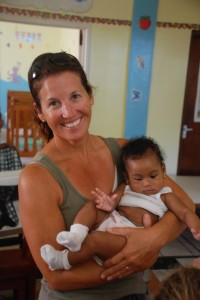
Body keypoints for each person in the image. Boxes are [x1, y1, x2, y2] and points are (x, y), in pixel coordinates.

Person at [19, 51, 195, 300]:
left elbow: (184, 205)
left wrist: (150, 242)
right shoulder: (36, 177)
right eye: (54, 103)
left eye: (75, 96)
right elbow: (56, 275)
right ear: (39, 111)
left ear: (90, 96)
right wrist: (134, 261)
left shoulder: (124, 152)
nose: (68, 112)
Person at [40, 137, 200, 271]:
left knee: (94, 240)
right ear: (127, 176)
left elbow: (184, 212)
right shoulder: (126, 187)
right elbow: (114, 200)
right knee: (92, 205)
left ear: (163, 169)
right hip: (113, 218)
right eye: (139, 178)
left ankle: (63, 260)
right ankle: (76, 235)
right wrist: (109, 205)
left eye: (153, 176)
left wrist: (196, 225)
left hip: (128, 238)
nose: (147, 184)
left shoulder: (165, 195)